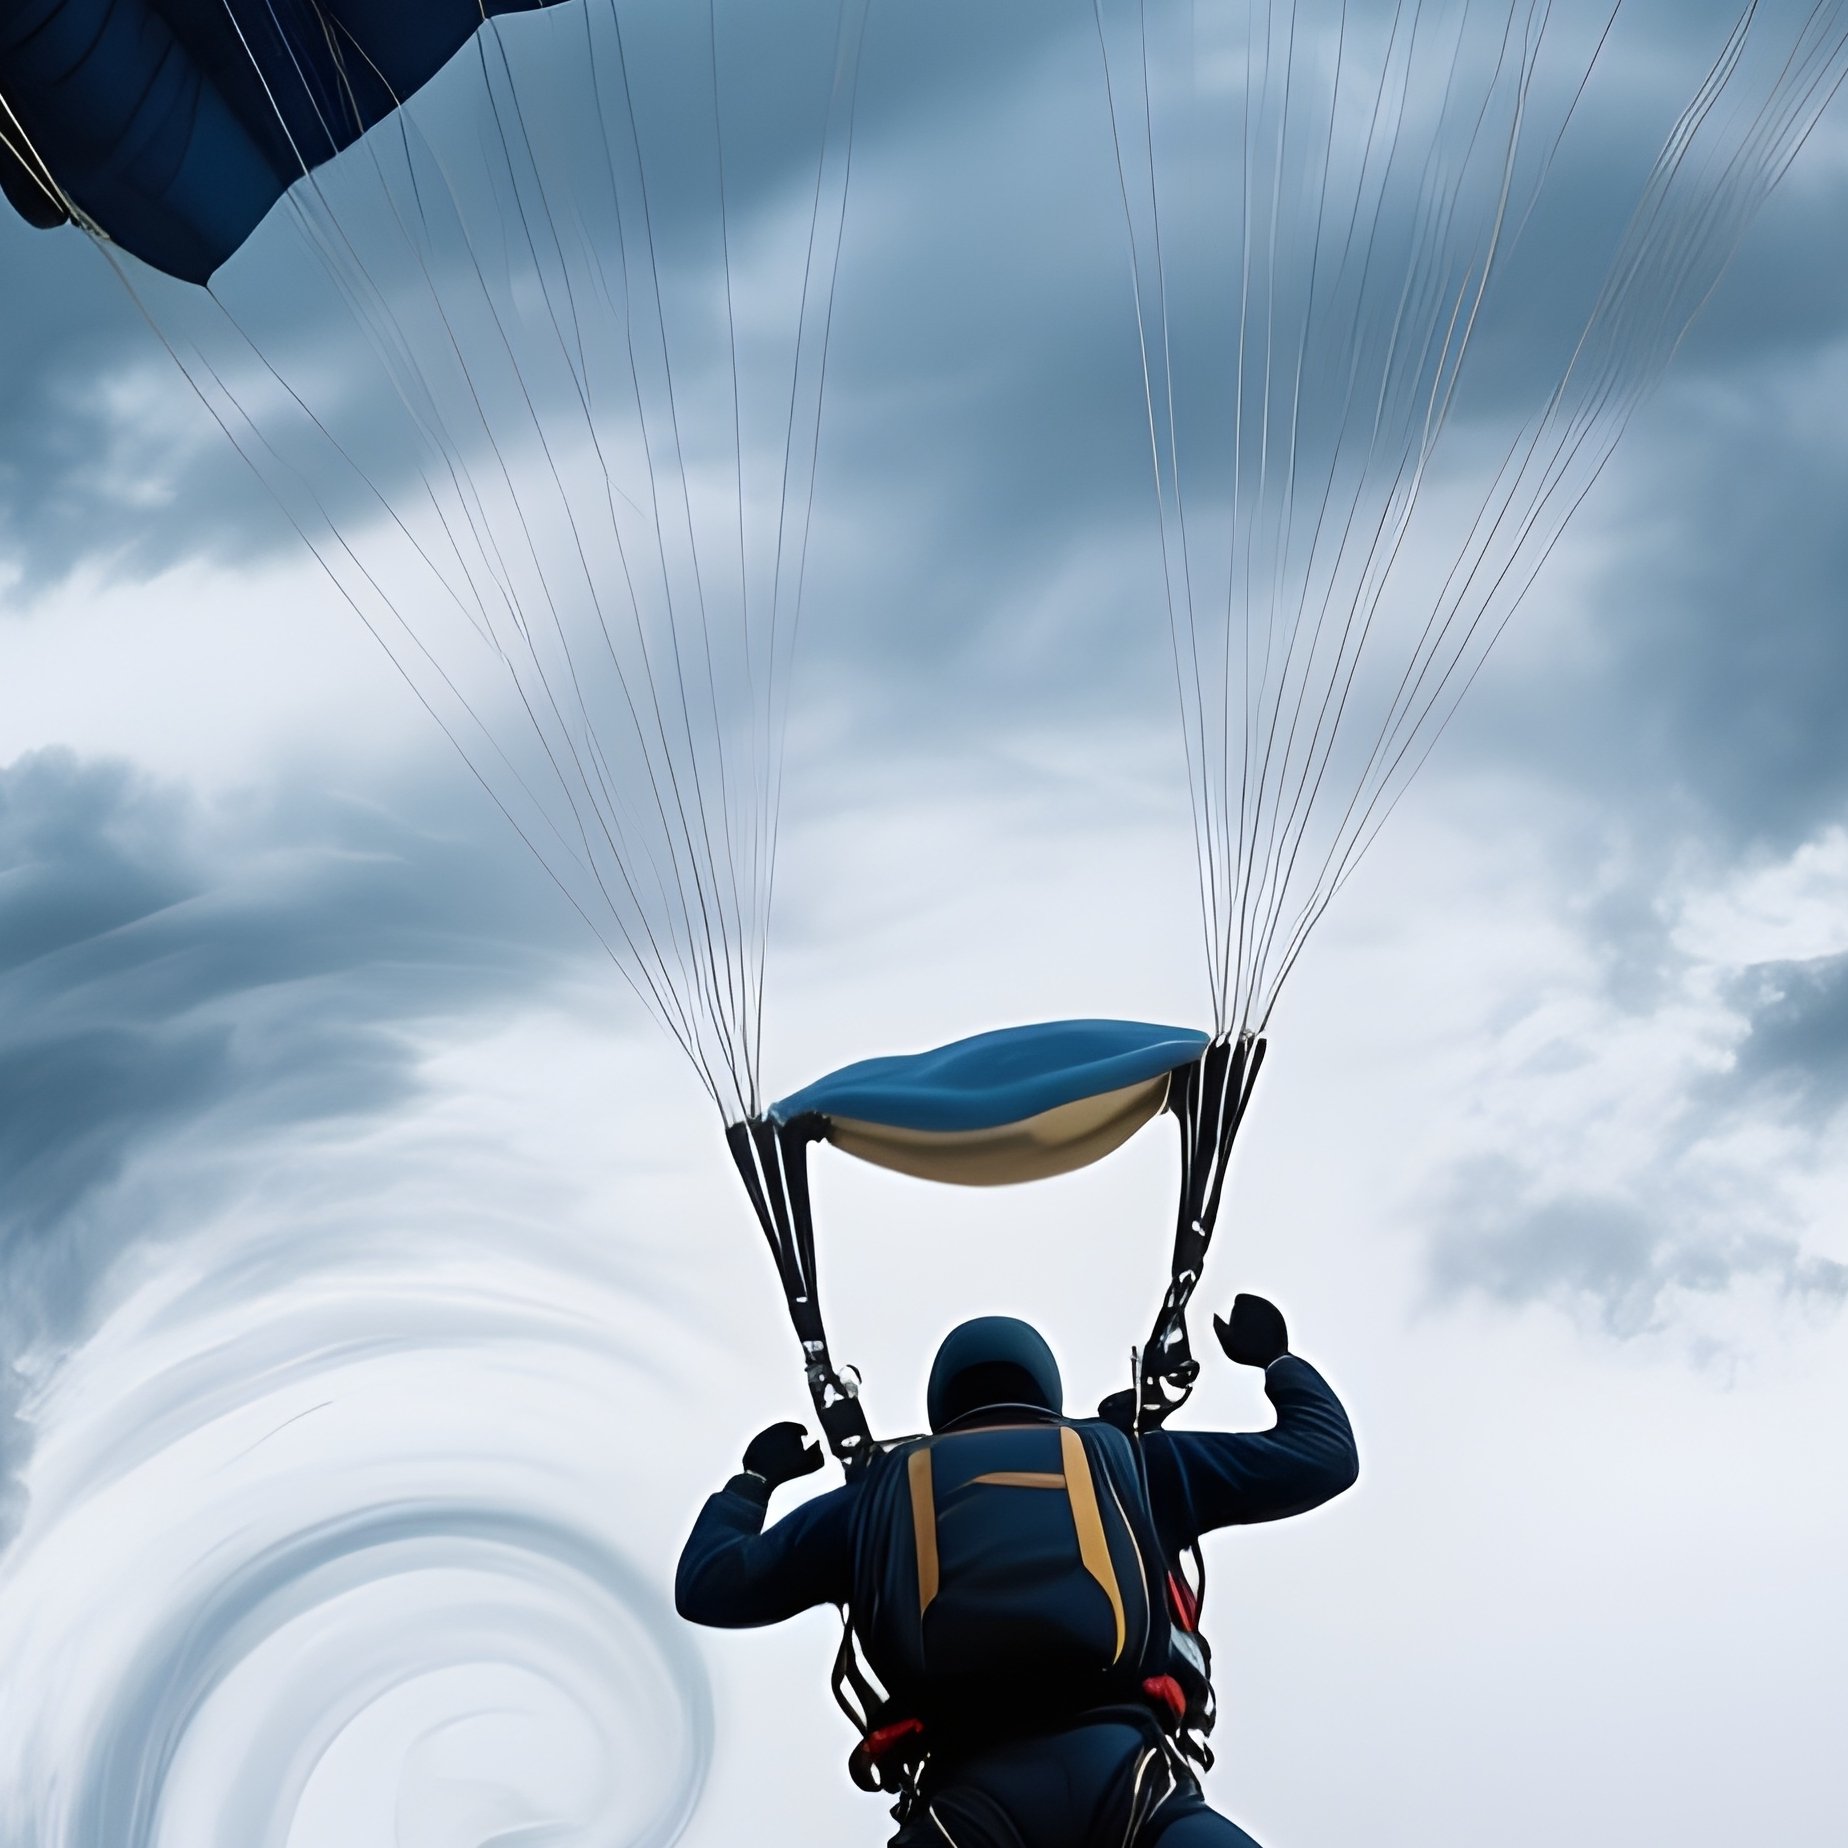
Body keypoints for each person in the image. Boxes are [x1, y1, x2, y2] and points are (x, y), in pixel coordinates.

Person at [676, 1295, 1358, 1847]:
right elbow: (1322, 1455)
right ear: (1045, 1388)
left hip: (962, 1805)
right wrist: (1278, 1360)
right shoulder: (1130, 1462)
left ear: (943, 1400)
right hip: (1135, 1780)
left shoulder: (872, 1501)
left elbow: (712, 1585)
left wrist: (752, 1483)